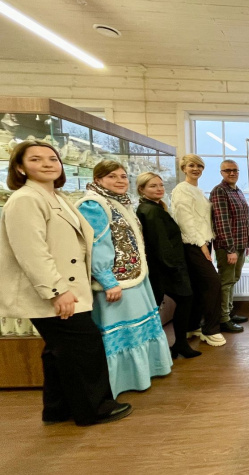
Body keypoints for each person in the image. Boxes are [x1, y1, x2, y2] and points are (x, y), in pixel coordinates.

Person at [0, 141, 131, 426]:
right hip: (56, 292)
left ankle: (57, 409)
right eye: (36, 159)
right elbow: (31, 252)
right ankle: (93, 409)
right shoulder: (25, 199)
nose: (48, 164)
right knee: (84, 347)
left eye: (52, 159)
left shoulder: (55, 196)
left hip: (68, 288)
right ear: (20, 167)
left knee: (58, 350)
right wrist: (56, 291)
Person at [76, 161, 172, 397]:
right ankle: (120, 381)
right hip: (116, 283)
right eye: (112, 176)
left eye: (122, 176)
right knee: (122, 331)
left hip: (134, 277)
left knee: (138, 326)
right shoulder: (93, 204)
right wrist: (108, 281)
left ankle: (143, 373)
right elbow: (96, 245)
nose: (120, 181)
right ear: (98, 179)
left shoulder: (118, 202)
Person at [136, 172, 201, 359]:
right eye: (153, 186)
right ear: (141, 189)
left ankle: (173, 345)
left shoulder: (153, 208)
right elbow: (161, 243)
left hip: (163, 267)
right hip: (167, 268)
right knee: (184, 299)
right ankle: (176, 344)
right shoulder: (152, 211)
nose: (159, 189)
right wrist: (175, 267)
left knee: (167, 304)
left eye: (161, 185)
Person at [171, 154, 226, 346]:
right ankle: (211, 330)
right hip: (193, 243)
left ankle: (192, 325)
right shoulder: (181, 190)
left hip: (204, 241)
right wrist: (201, 244)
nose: (196, 169)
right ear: (183, 168)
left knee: (197, 285)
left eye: (199, 166)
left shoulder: (196, 190)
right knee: (213, 283)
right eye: (191, 165)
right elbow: (185, 220)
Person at [210, 159, 249, 332]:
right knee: (226, 281)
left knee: (233, 280)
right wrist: (230, 249)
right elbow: (222, 223)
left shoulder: (237, 191)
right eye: (227, 170)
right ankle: (223, 318)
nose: (232, 173)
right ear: (221, 173)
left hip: (240, 245)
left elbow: (243, 220)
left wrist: (246, 244)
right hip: (228, 247)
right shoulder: (219, 191)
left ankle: (228, 311)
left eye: (235, 170)